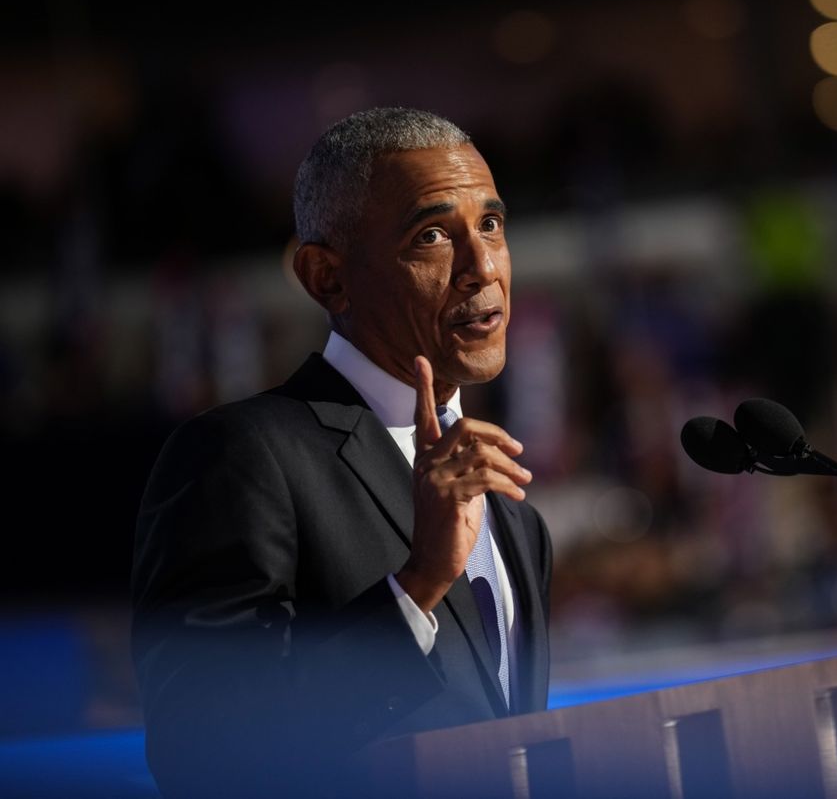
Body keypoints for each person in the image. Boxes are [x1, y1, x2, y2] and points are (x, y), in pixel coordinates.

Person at [131, 107, 552, 798]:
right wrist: (416, 585)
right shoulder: (241, 455)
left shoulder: (517, 518)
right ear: (327, 278)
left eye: (492, 225)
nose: (482, 267)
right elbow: (199, 746)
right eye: (433, 235)